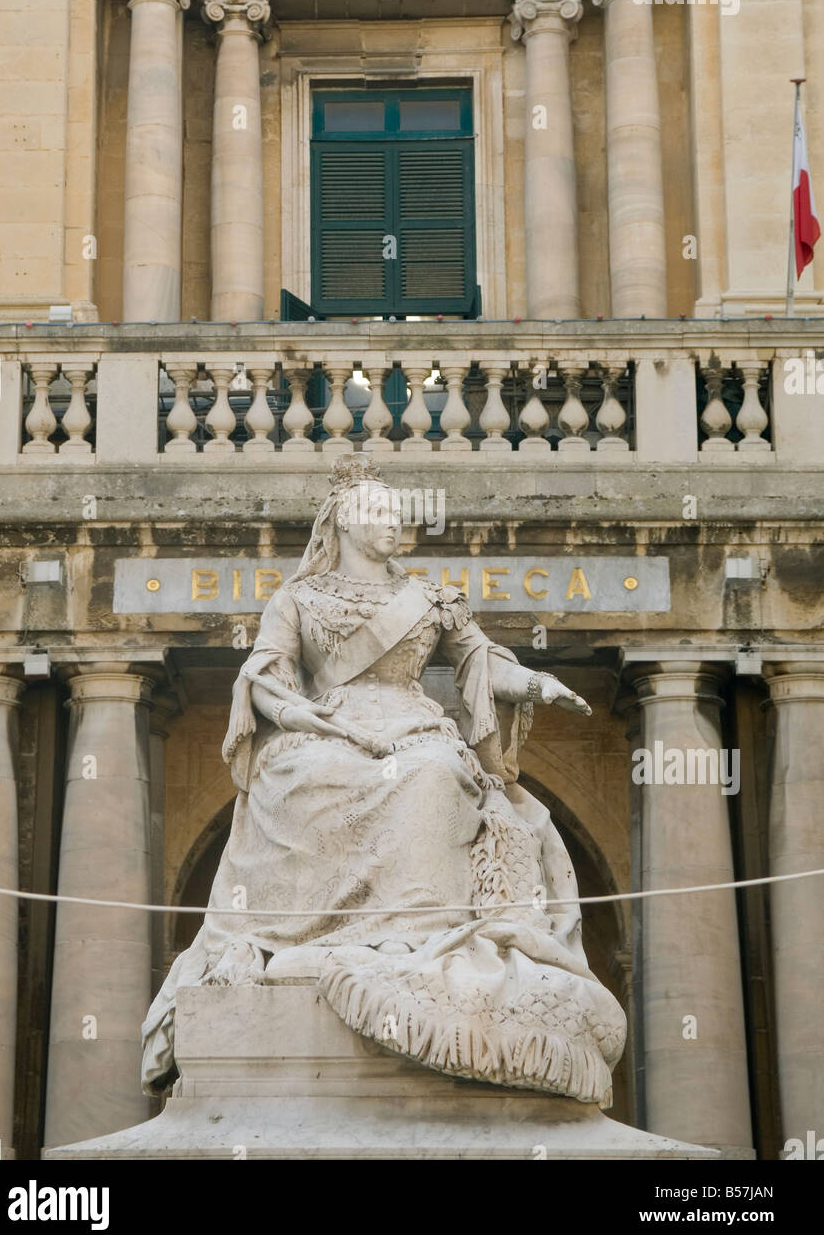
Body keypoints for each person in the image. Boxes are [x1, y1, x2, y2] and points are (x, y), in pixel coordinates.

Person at [142, 457, 626, 1105]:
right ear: (344, 521)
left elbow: (481, 663)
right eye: (377, 515)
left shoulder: (431, 599)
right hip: (323, 733)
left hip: (414, 727)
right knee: (295, 776)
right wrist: (300, 714)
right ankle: (310, 935)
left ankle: (412, 936)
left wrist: (538, 683)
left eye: (397, 516)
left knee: (431, 774)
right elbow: (265, 675)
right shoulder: (297, 598)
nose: (392, 526)